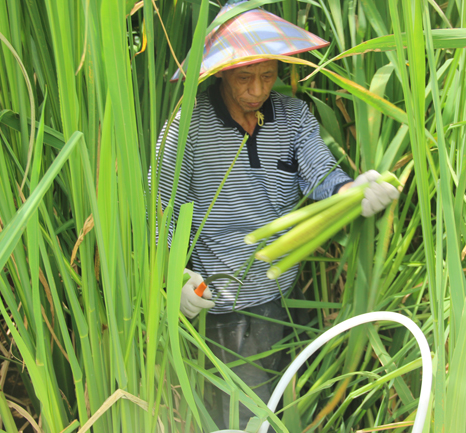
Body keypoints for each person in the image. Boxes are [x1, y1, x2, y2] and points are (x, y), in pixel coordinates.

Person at [156, 2, 399, 430]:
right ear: (220, 73)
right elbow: (162, 208)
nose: (257, 90)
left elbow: (321, 172)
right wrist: (175, 278)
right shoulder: (187, 126)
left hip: (288, 294)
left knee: (292, 404)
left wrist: (353, 191)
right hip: (228, 307)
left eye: (267, 76)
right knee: (247, 417)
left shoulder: (291, 116)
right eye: (244, 78)